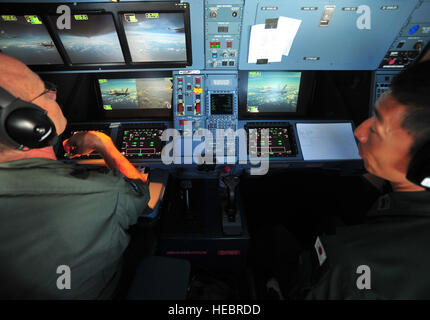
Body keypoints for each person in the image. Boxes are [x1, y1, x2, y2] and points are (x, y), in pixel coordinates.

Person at [255, 59, 430, 299]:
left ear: (423, 158)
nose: (359, 131)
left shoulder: (350, 262)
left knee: (268, 220)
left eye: (377, 126)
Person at [0, 53, 163, 299]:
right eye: (45, 92)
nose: (54, 95)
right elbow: (140, 194)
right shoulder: (105, 193)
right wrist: (103, 143)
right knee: (149, 233)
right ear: (28, 123)